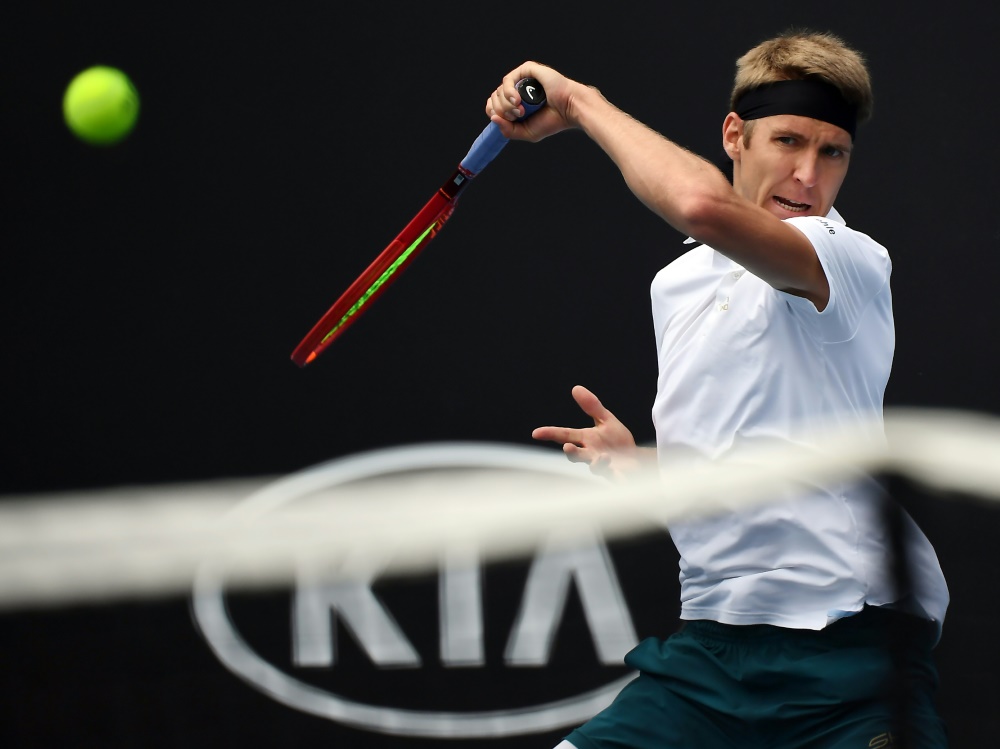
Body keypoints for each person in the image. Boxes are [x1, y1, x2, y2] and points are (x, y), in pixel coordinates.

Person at [485, 29, 950, 748]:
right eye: (788, 142)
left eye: (833, 153)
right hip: (709, 655)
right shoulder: (678, 285)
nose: (808, 176)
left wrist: (579, 101)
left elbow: (701, 205)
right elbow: (761, 446)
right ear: (736, 135)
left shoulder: (846, 257)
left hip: (851, 658)